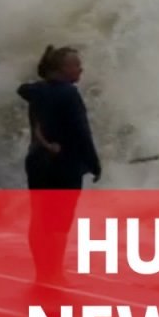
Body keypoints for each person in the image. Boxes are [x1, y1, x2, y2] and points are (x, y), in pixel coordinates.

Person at [17, 45, 102, 285]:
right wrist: (94, 164)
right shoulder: (68, 93)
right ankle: (54, 272)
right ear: (60, 69)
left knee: (40, 218)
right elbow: (81, 132)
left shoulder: (36, 92)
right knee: (59, 222)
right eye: (75, 64)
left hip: (37, 162)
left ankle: (42, 271)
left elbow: (23, 90)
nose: (80, 68)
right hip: (64, 165)